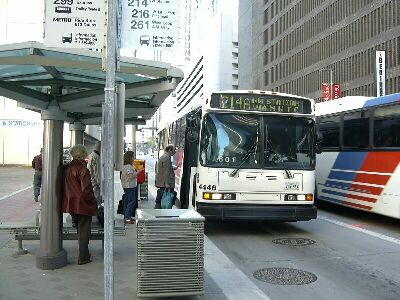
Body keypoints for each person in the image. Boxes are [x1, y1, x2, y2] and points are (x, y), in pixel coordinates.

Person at [62, 144, 97, 265]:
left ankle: (84, 254)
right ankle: (83, 257)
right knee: (84, 232)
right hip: (82, 204)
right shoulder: (83, 170)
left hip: (71, 203)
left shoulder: (66, 168)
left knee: (79, 229)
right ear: (81, 154)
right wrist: (93, 202)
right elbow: (86, 189)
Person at [121, 151, 143, 224]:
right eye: (133, 156)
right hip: (129, 186)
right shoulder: (128, 167)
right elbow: (130, 176)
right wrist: (138, 172)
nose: (134, 158)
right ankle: (127, 218)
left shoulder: (126, 166)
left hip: (127, 186)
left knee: (127, 201)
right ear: (130, 158)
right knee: (132, 201)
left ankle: (127, 216)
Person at [154, 144, 176, 209]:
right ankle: (161, 213)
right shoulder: (166, 158)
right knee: (165, 199)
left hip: (163, 183)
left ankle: (158, 212)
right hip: (165, 183)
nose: (174, 152)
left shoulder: (164, 156)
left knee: (161, 199)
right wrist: (166, 183)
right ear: (169, 150)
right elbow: (166, 171)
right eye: (173, 151)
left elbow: (166, 169)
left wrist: (172, 168)